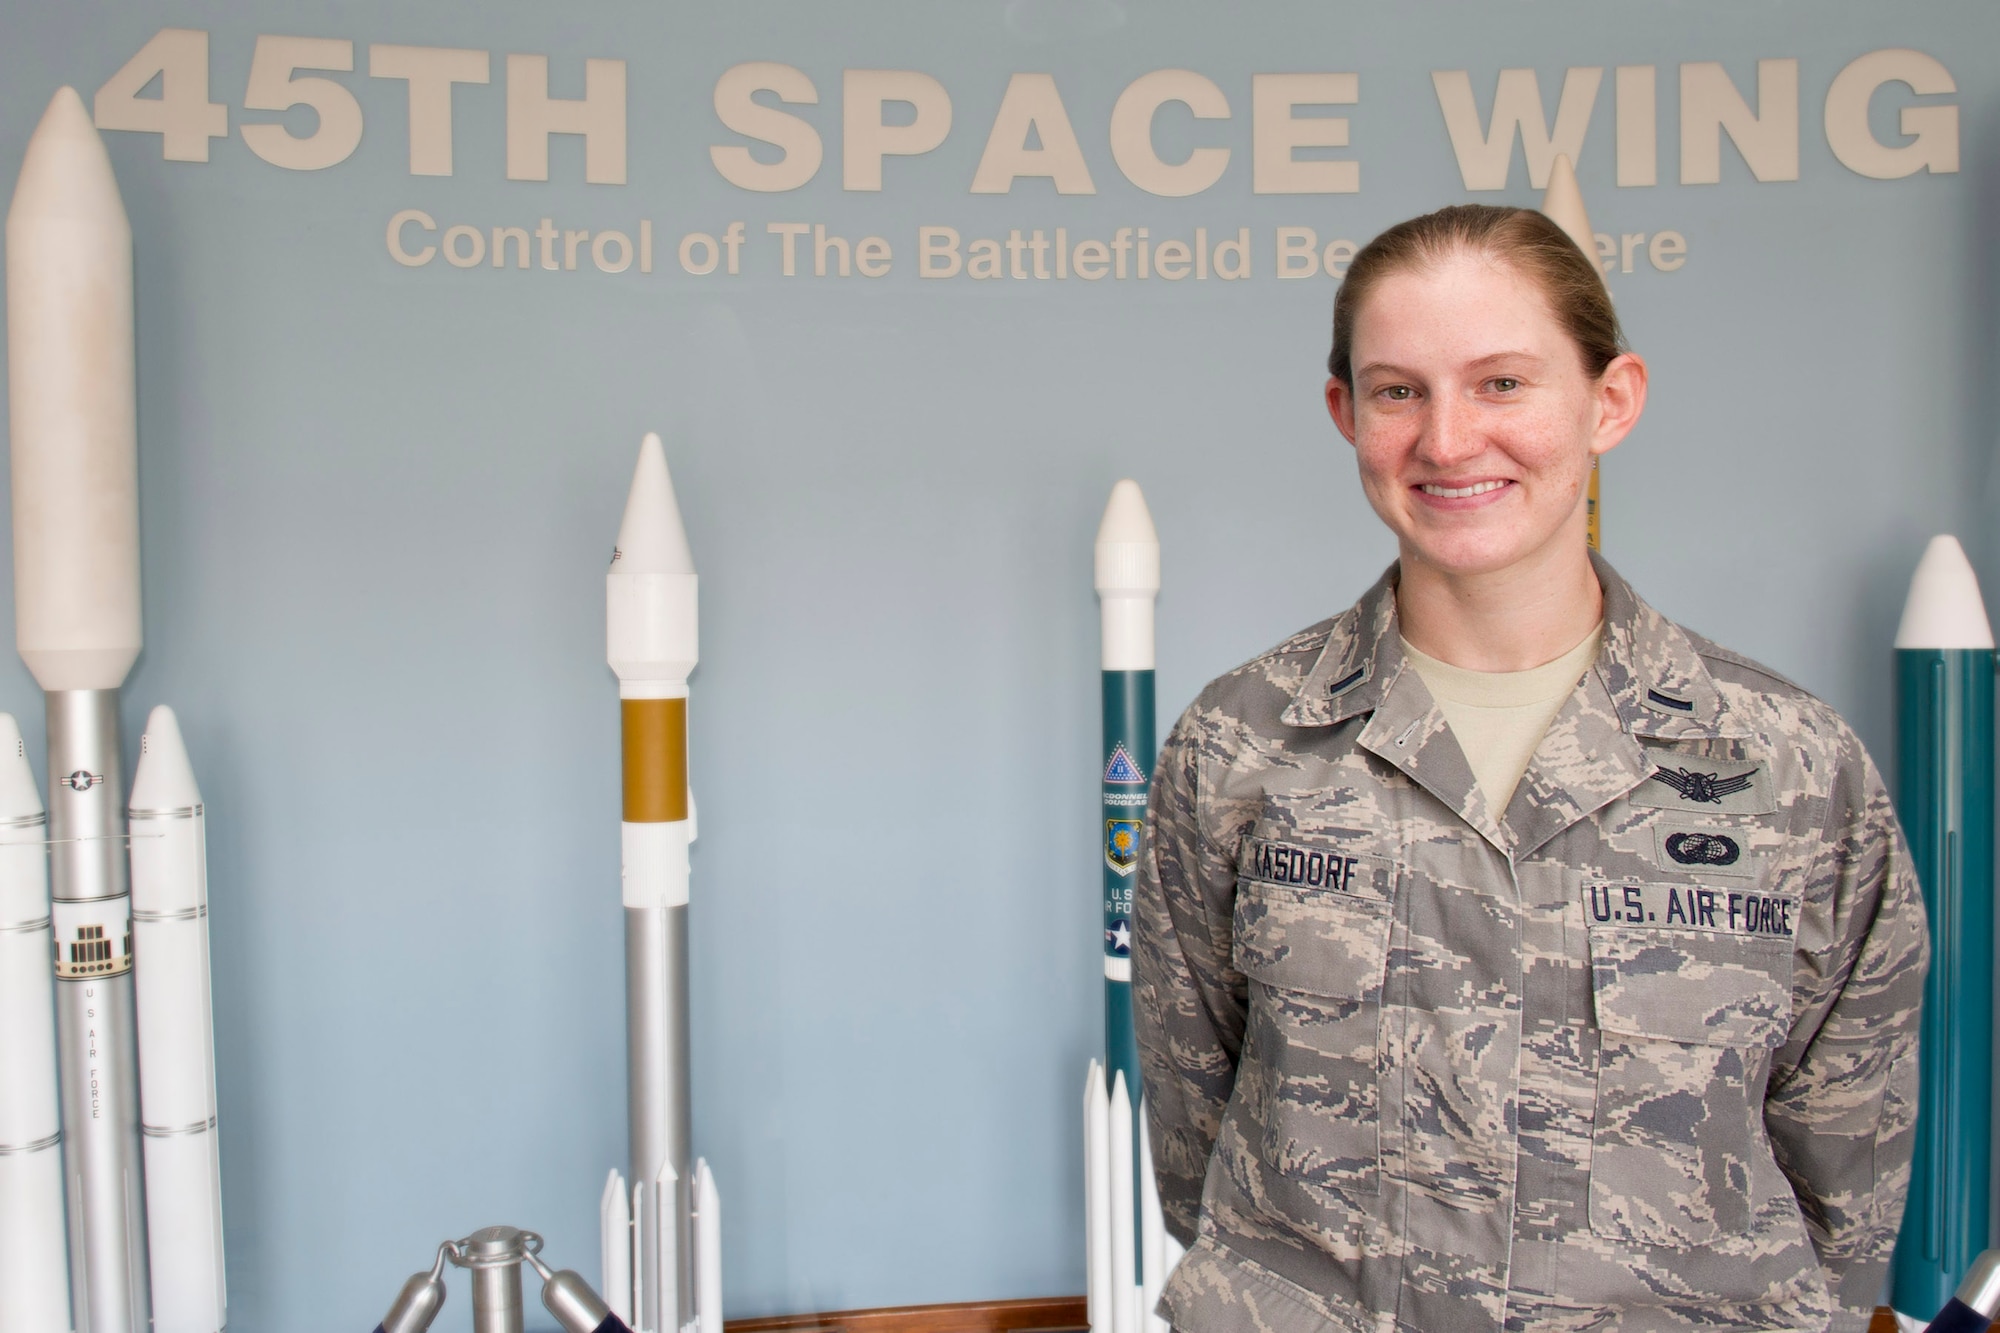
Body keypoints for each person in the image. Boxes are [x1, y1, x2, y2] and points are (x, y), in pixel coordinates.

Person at [1133, 204, 1927, 1333]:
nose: (1448, 441)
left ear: (1609, 402)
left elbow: (1838, 1171)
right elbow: (1194, 1122)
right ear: (1343, 411)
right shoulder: (1242, 745)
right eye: (1398, 390)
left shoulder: (1788, 769)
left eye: (1501, 383)